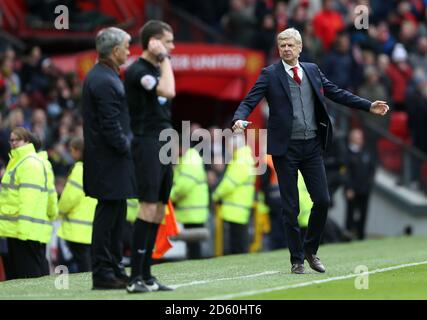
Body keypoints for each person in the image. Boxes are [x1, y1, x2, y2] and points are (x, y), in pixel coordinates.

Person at [232, 28, 389, 274]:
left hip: (312, 145)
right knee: (290, 207)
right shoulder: (270, 74)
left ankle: (310, 249)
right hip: (286, 149)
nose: (286, 48)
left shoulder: (312, 71)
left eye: (290, 45)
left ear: (300, 47)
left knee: (323, 200)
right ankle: (296, 260)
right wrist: (240, 118)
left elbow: (336, 93)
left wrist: (368, 106)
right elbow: (249, 100)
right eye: (282, 45)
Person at [82, 27, 137, 289]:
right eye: (126, 46)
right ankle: (103, 273)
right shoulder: (103, 79)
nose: (129, 51)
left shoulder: (105, 75)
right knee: (109, 215)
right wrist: (127, 147)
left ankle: (114, 268)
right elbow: (110, 124)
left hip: (111, 161)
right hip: (109, 161)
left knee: (117, 213)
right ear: (115, 51)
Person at [124, 20, 175, 293]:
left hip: (164, 141)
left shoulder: (155, 69)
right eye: (168, 42)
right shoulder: (138, 71)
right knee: (147, 206)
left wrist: (163, 60)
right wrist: (164, 58)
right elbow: (169, 91)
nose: (172, 47)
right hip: (147, 142)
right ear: (154, 41)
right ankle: (135, 278)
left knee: (158, 208)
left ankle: (147, 274)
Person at [0, 127, 54, 279]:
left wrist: (22, 230)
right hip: (15, 228)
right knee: (23, 276)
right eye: (11, 140)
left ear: (27, 141)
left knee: (28, 275)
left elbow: (28, 198)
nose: (13, 143)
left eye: (17, 139)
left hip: (23, 230)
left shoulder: (28, 163)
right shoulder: (17, 162)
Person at [57, 137, 97, 273]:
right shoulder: (95, 167)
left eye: (71, 150)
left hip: (76, 228)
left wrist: (60, 210)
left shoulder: (79, 169)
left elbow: (69, 197)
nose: (70, 153)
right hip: (90, 226)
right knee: (89, 263)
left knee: (82, 266)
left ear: (77, 151)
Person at [212, 135, 256, 255]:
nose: (228, 149)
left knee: (238, 243)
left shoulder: (241, 160)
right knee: (239, 240)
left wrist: (215, 195)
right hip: (239, 206)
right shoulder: (244, 158)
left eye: (229, 147)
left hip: (236, 207)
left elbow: (229, 183)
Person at [170, 142, 209, 260]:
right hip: (191, 210)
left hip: (192, 210)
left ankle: (196, 264)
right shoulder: (188, 158)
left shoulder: (191, 159)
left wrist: (169, 197)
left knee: (194, 244)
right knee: (192, 244)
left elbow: (183, 186)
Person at [344, 128, 376, 240]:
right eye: (357, 137)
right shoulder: (346, 153)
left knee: (363, 213)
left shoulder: (366, 152)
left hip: (365, 189)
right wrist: (348, 188)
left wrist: (369, 183)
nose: (360, 139)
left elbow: (372, 169)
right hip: (352, 190)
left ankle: (360, 235)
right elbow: (345, 172)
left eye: (361, 137)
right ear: (351, 138)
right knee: (350, 213)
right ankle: (348, 235)